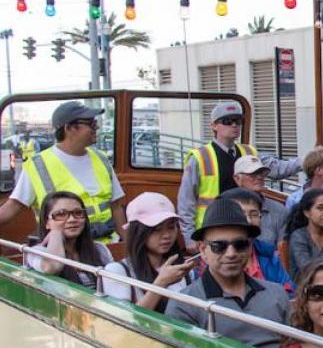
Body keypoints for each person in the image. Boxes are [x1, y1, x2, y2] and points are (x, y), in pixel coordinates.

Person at [164, 198, 290, 348]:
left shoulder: (277, 294)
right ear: (203, 250)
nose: (231, 254)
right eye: (219, 246)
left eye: (240, 245)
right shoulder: (185, 305)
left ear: (250, 247)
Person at [178, 100, 302, 247]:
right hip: (212, 229)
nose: (234, 125)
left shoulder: (249, 152)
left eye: (238, 121)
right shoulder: (200, 158)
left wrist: (307, 161)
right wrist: (189, 237)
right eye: (227, 121)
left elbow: (278, 169)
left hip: (245, 226)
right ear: (213, 125)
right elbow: (186, 202)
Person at [0, 101, 126, 242]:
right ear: (69, 128)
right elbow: (12, 207)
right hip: (65, 251)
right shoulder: (38, 165)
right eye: (91, 123)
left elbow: (116, 207)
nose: (96, 127)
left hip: (108, 246)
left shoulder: (101, 158)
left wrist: (126, 243)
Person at [104, 192, 199, 312]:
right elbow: (124, 321)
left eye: (171, 227)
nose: (166, 235)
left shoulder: (182, 270)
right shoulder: (117, 271)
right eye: (157, 229)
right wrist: (161, 283)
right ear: (137, 232)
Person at [25, 191, 113, 289]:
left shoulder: (99, 249)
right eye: (61, 214)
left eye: (78, 213)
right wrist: (56, 233)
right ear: (47, 222)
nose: (72, 219)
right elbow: (53, 266)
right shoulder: (36, 252)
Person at [220, 188, 294, 293]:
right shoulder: (212, 257)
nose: (249, 221)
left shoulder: (270, 255)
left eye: (254, 214)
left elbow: (289, 293)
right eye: (241, 214)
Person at [232, 154, 288, 245]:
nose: (259, 177)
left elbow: (284, 249)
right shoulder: (227, 209)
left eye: (261, 174)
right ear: (237, 178)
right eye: (252, 174)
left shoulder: (278, 210)